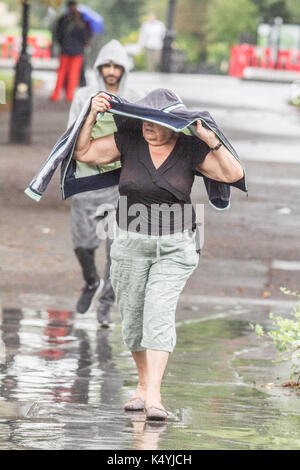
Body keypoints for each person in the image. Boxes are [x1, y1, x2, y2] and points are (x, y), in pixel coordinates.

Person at [71, 91, 244, 420]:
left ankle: (154, 397)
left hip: (174, 247)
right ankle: (142, 385)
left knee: (158, 313)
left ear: (172, 124)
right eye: (145, 120)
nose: (149, 126)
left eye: (157, 121)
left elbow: (233, 174)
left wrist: (212, 139)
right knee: (134, 318)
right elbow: (84, 152)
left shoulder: (190, 149)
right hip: (129, 243)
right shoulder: (130, 140)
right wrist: (90, 114)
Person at [67, 40, 144, 326]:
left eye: (117, 66)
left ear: (125, 69)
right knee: (82, 243)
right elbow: (70, 133)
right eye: (107, 65)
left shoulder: (137, 97)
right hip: (87, 178)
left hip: (120, 182)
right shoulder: (83, 96)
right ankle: (91, 282)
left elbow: (147, 136)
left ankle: (106, 303)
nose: (111, 71)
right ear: (99, 68)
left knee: (116, 247)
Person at [50, 0, 92, 102]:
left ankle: (60, 95)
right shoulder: (81, 20)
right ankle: (67, 96)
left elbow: (58, 35)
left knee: (65, 73)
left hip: (70, 50)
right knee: (69, 74)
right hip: (74, 51)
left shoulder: (65, 19)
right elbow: (86, 37)